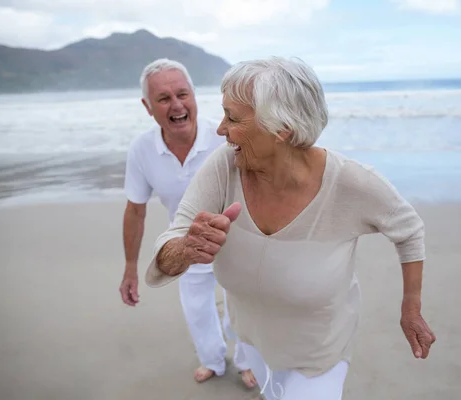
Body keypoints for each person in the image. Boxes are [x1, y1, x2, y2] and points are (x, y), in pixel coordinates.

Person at [144, 56, 436, 399]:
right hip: (254, 343)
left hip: (318, 355)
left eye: (233, 118)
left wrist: (411, 309)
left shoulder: (351, 183)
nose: (220, 129)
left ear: (282, 129)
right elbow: (173, 240)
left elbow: (409, 229)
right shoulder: (225, 166)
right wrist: (185, 249)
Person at [118, 58, 256, 388]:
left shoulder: (224, 136)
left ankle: (247, 361)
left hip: (240, 243)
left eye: (183, 94)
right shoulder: (142, 150)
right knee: (197, 311)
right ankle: (212, 360)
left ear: (194, 95)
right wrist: (130, 267)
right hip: (186, 245)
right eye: (164, 99)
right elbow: (135, 210)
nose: (177, 105)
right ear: (147, 106)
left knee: (243, 307)